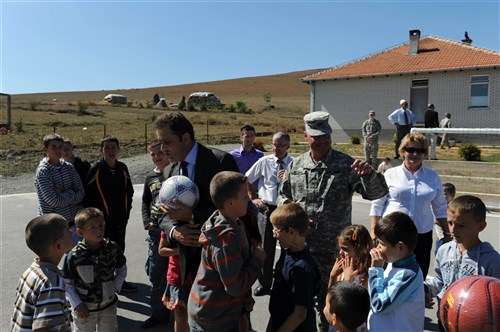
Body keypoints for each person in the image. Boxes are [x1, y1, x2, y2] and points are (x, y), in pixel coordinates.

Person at [277, 111, 388, 331]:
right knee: (297, 305)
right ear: (306, 136)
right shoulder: (296, 165)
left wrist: (369, 175)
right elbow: (284, 197)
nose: (322, 140)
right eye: (316, 136)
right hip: (301, 251)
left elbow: (376, 193)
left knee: (330, 309)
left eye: (326, 135)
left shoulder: (345, 164)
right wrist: (292, 218)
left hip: (336, 255)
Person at [153, 112, 239, 308]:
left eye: (167, 142)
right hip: (184, 262)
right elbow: (160, 212)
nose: (162, 149)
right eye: (159, 142)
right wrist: (175, 231)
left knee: (217, 319)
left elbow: (235, 209)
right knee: (185, 314)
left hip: (218, 259)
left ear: (186, 138)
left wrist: (193, 216)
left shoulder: (219, 161)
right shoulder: (168, 171)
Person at [187, 171, 265, 332]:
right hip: (214, 319)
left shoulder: (234, 223)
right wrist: (257, 259)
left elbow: (238, 268)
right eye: (244, 196)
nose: (248, 200)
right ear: (230, 203)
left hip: (222, 312)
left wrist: (245, 298)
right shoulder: (225, 241)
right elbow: (235, 287)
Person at [370, 132, 450, 278]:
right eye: (410, 149)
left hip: (422, 235)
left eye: (419, 151)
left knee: (418, 275)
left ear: (425, 154)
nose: (414, 154)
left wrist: (447, 233)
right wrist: (374, 231)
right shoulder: (389, 174)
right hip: (391, 235)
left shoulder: (432, 177)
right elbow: (377, 204)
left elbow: (440, 208)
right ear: (402, 151)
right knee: (388, 274)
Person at [424, 195, 500, 330]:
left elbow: (495, 297)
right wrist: (426, 290)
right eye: (450, 223)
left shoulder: (492, 260)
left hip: (474, 324)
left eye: (461, 225)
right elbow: (440, 281)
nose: (453, 229)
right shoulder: (443, 251)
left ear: (481, 226)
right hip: (445, 319)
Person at [83, 135, 136, 292]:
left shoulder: (122, 168)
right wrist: (96, 220)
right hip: (103, 222)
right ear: (101, 151)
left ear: (119, 150)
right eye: (107, 148)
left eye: (114, 147)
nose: (111, 151)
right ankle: (102, 284)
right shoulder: (97, 170)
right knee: (102, 252)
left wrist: (127, 211)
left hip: (120, 219)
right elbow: (89, 197)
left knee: (119, 250)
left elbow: (129, 192)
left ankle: (120, 280)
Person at [62, 207, 127, 332]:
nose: (99, 230)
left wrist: (113, 287)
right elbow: (67, 283)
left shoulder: (112, 248)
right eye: (92, 228)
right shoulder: (74, 255)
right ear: (80, 232)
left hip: (108, 306)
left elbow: (122, 270)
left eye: (101, 225)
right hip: (85, 309)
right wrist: (77, 304)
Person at [245, 131, 293, 297]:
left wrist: (289, 177)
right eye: (273, 144)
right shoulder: (264, 161)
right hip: (267, 209)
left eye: (280, 145)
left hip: (286, 210)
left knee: (289, 246)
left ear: (288, 146)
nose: (276, 148)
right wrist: (254, 198)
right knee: (266, 248)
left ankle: (286, 281)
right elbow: (247, 179)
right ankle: (265, 283)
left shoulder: (294, 163)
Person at [11, 214, 74, 332]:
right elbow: (43, 328)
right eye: (67, 230)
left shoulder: (32, 270)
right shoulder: (52, 284)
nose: (71, 232)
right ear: (58, 245)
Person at [367, 211, 425, 331]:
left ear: (400, 247)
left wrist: (376, 270)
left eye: (381, 244)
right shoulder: (393, 262)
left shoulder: (407, 274)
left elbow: (379, 305)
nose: (377, 247)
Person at [267, 203, 320, 332]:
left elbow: (299, 314)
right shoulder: (287, 252)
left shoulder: (302, 268)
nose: (274, 235)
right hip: (280, 320)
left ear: (291, 232)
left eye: (276, 230)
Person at [35, 133, 85, 245]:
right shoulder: (43, 172)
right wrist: (72, 191)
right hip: (54, 226)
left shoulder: (69, 167)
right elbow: (54, 201)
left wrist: (62, 193)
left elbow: (81, 193)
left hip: (73, 224)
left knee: (74, 259)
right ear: (45, 149)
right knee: (55, 260)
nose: (58, 150)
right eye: (54, 146)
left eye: (60, 146)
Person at [141, 140, 171, 328]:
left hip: (173, 230)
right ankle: (158, 313)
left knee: (174, 272)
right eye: (152, 154)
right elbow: (145, 201)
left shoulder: (176, 173)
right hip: (155, 231)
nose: (156, 157)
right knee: (155, 272)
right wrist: (147, 222)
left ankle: (176, 309)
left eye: (160, 152)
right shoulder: (150, 177)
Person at [159, 229, 189, 332]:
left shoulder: (200, 223)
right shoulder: (170, 227)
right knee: (180, 316)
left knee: (194, 317)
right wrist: (179, 250)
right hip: (176, 277)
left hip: (196, 277)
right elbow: (161, 250)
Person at [328, 225, 373, 290]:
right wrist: (332, 276)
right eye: (340, 248)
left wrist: (348, 281)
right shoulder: (341, 272)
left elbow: (347, 299)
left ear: (360, 251)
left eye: (345, 249)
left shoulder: (367, 277)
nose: (340, 252)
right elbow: (330, 299)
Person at [434, 182, 456, 254]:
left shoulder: (451, 208)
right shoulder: (440, 206)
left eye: (444, 195)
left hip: (447, 234)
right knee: (439, 252)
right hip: (440, 235)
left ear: (452, 196)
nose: (442, 197)